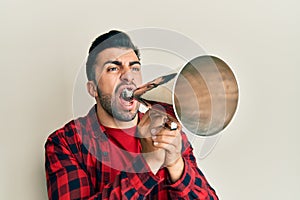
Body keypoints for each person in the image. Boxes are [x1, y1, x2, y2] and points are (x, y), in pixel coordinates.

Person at [45, 30, 219, 199]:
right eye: (113, 68)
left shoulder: (168, 133)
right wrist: (148, 163)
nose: (128, 76)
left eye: (134, 68)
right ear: (93, 89)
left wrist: (176, 165)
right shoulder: (66, 143)